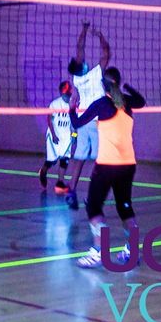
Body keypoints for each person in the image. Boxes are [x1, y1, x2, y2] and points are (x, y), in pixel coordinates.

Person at [69, 67, 145, 268]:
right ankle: (132, 250)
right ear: (118, 83)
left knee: (93, 207)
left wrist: (71, 107)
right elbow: (142, 101)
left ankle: (98, 251)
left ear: (103, 85)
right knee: (124, 207)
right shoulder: (127, 101)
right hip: (128, 165)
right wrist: (126, 87)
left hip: (106, 166)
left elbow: (76, 123)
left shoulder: (101, 104)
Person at [59, 22, 110, 210]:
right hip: (96, 122)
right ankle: (93, 195)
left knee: (79, 158)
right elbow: (106, 53)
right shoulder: (95, 73)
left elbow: (79, 48)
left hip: (82, 122)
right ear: (81, 65)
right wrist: (97, 35)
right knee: (100, 161)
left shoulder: (77, 79)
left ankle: (71, 190)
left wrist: (83, 31)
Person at [38, 81, 75, 189]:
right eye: (66, 94)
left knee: (65, 159)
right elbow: (49, 120)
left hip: (66, 135)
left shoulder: (73, 104)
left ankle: (60, 182)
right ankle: (43, 172)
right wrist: (53, 135)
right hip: (55, 133)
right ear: (61, 93)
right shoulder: (55, 104)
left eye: (69, 93)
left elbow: (73, 122)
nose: (68, 96)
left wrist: (74, 135)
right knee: (52, 161)